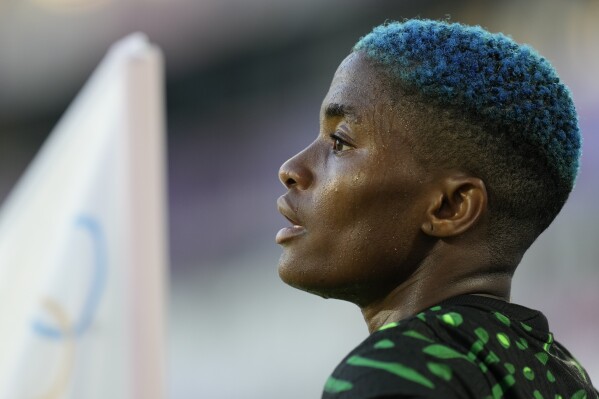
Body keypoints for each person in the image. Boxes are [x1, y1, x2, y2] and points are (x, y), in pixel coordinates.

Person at [275, 19, 597, 399]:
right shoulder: (565, 377)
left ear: (450, 207)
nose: (291, 170)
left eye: (340, 142)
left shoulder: (395, 371)